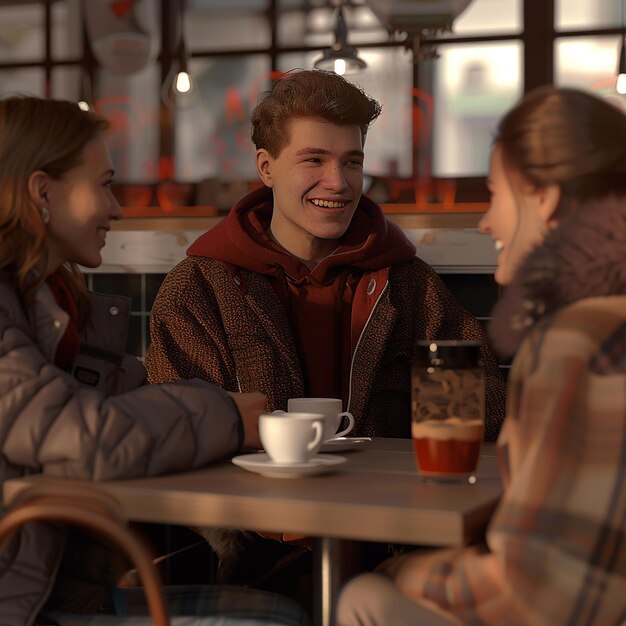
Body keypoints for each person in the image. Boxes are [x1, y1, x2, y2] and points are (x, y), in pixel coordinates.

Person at [144, 69, 506, 603]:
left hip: (398, 548)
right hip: (251, 563)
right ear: (266, 167)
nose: (338, 182)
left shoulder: (407, 282)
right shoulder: (198, 288)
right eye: (314, 159)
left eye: (352, 161)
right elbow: (177, 440)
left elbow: (483, 409)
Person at [0, 96, 310, 626]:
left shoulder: (54, 307)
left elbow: (128, 405)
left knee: (279, 608)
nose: (117, 208)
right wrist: (227, 416)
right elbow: (87, 437)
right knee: (273, 619)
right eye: (103, 184)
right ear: (42, 192)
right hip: (25, 605)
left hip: (57, 589)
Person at [336, 86, 626, 626]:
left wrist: (403, 574)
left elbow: (542, 596)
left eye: (496, 193)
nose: (486, 221)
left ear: (545, 197)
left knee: (361, 600)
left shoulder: (579, 342)